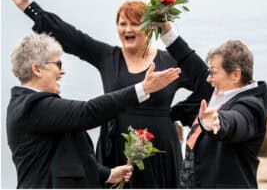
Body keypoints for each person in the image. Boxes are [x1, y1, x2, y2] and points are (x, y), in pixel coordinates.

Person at [5, 0, 213, 188]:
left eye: (135, 23)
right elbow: (73, 37)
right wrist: (29, 8)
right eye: (122, 24)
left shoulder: (168, 61)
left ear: (150, 28)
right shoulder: (107, 56)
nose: (127, 29)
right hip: (115, 147)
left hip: (159, 147)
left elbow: (207, 85)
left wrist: (174, 114)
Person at [6, 33, 181, 188]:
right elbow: (88, 111)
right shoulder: (32, 106)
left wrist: (109, 174)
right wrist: (142, 89)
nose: (62, 71)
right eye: (58, 64)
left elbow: (69, 157)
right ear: (37, 69)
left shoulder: (37, 105)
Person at [156, 26, 267, 188]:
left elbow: (238, 120)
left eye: (213, 72)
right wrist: (165, 29)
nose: (208, 78)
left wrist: (218, 122)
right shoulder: (218, 89)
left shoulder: (252, 105)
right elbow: (190, 61)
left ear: (235, 75)